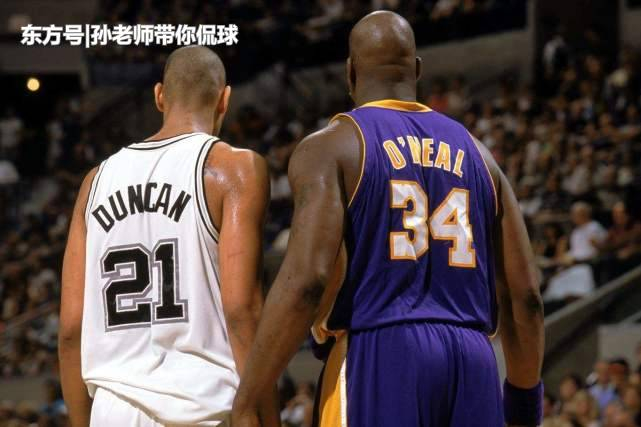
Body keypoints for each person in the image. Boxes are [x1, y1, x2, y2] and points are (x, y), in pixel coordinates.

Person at [232, 11, 544, 427]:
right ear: (417, 69)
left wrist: (249, 397)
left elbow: (307, 281)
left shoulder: (332, 146)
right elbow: (526, 298)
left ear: (350, 72)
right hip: (474, 362)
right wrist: (524, 406)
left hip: (380, 353)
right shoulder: (481, 156)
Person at [59, 46, 278, 426]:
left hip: (113, 410)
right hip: (203, 405)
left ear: (159, 96)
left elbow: (71, 328)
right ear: (225, 99)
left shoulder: (94, 182)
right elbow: (241, 310)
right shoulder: (234, 168)